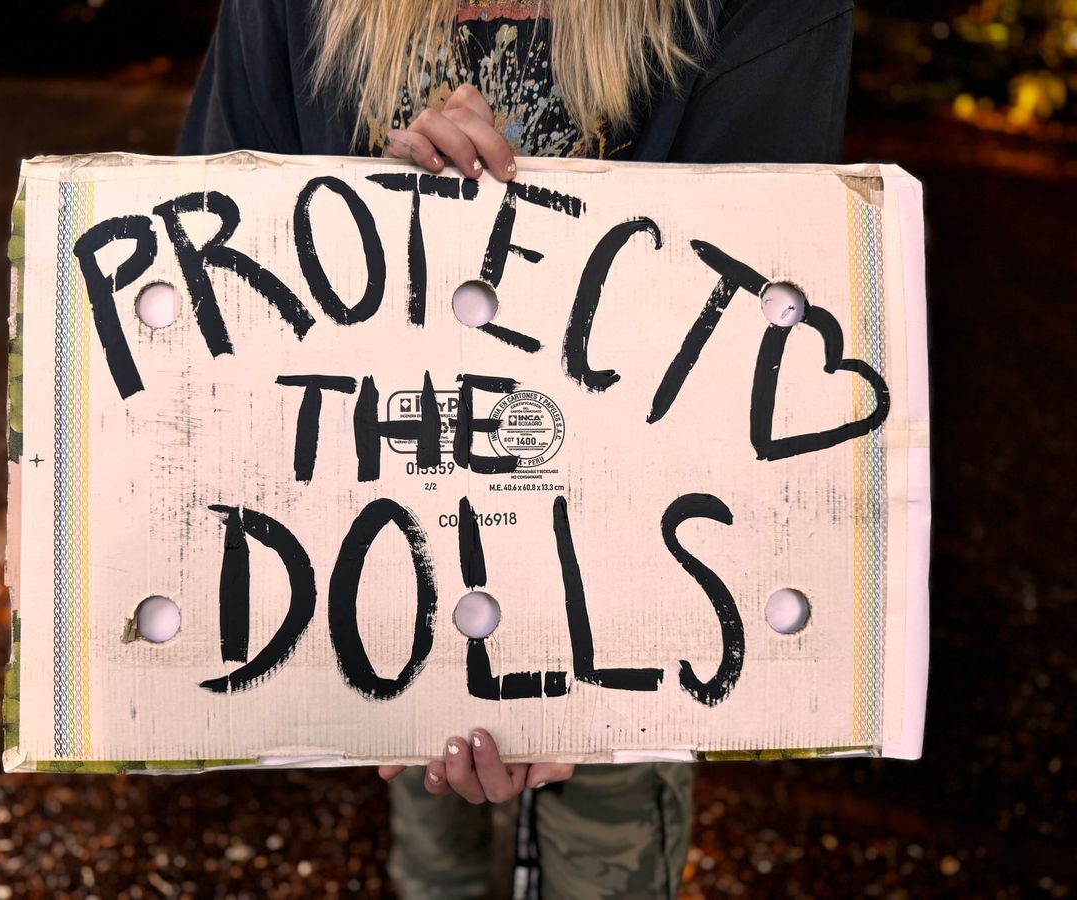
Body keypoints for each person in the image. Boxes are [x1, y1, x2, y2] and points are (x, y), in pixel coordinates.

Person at [179, 1, 853, 896]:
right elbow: (203, 264)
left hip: (635, 588)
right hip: (383, 561)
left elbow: (757, 313)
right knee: (431, 834)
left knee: (606, 855)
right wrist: (365, 224)